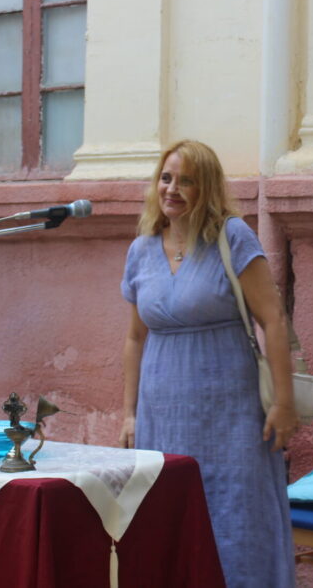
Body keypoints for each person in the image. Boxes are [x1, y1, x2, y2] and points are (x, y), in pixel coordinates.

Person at [118, 140, 296, 586]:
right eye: (166, 178)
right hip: (162, 416)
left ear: (208, 187)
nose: (172, 189)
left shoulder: (232, 237)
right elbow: (135, 337)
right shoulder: (141, 249)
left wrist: (283, 402)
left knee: (237, 516)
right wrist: (128, 413)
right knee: (168, 518)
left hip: (232, 416)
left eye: (186, 181)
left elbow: (273, 319)